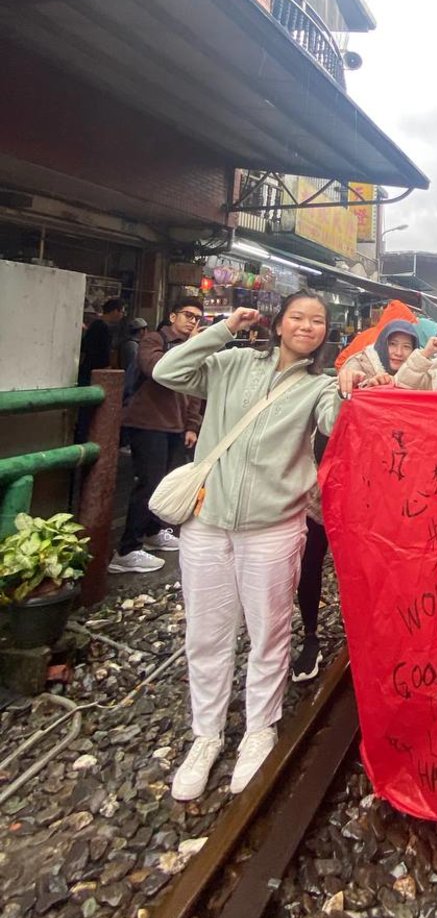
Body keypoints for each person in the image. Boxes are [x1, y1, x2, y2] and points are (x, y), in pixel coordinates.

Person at [152, 292, 340, 800]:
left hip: (274, 527)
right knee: (207, 634)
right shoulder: (231, 362)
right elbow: (168, 372)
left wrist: (352, 387)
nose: (307, 326)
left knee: (269, 633)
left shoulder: (319, 386)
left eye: (317, 320)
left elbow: (337, 424)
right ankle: (206, 735)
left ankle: (260, 728)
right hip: (207, 521)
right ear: (278, 323)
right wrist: (223, 328)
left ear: (326, 332)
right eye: (298, 317)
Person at [290, 318, 421, 683]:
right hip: (327, 486)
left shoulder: (421, 378)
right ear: (382, 344)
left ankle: (372, 636)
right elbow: (335, 405)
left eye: (406, 346)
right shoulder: (356, 369)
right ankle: (311, 636)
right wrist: (354, 385)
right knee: (313, 559)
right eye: (393, 344)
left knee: (373, 569)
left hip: (377, 498)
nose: (398, 352)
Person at [109, 300, 203, 574]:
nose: (192, 322)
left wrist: (192, 425)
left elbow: (196, 389)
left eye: (197, 318)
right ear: (172, 316)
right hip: (148, 423)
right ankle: (127, 549)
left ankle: (153, 531)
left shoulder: (193, 348)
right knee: (147, 483)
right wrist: (191, 347)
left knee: (164, 484)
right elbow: (157, 370)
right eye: (187, 315)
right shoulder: (154, 340)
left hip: (175, 426)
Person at [77, 298, 125, 385]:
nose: (122, 315)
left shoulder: (96, 325)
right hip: (93, 371)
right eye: (121, 312)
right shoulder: (101, 327)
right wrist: (106, 366)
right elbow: (102, 351)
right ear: (114, 311)